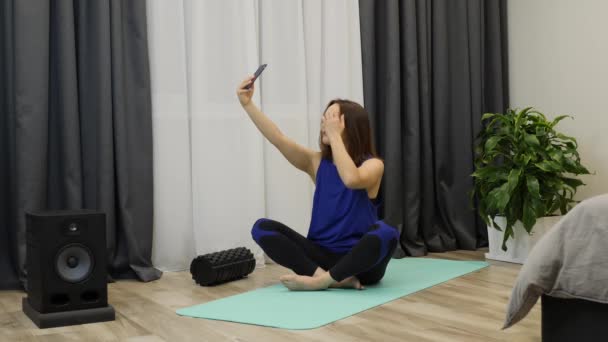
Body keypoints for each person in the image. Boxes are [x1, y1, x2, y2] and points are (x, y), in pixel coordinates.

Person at [236, 76, 398, 291]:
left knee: (388, 230)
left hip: (360, 263)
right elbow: (278, 138)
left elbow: (351, 179)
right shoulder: (316, 162)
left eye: (332, 121)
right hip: (322, 258)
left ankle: (323, 282)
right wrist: (247, 104)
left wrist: (335, 136)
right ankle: (325, 278)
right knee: (262, 228)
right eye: (324, 120)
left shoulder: (373, 165)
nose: (324, 126)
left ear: (351, 127)